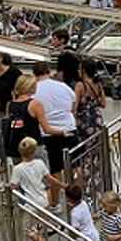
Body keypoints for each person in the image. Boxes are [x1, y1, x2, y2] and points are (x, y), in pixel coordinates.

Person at [9, 137, 61, 241]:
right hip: (43, 200)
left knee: (28, 231)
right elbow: (49, 179)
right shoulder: (39, 163)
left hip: (31, 204)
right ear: (34, 151)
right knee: (39, 226)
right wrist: (63, 185)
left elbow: (13, 186)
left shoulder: (18, 169)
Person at [32, 61, 77, 197]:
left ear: (35, 74)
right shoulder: (62, 86)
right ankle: (78, 195)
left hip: (48, 133)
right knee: (76, 165)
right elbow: (73, 105)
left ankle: (55, 201)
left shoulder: (34, 90)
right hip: (69, 128)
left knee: (55, 168)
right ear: (49, 71)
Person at [74, 61, 108, 142]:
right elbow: (104, 104)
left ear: (84, 70)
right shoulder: (98, 84)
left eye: (79, 68)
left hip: (85, 122)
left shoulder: (80, 85)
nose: (78, 71)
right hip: (97, 119)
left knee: (86, 147)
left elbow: (74, 107)